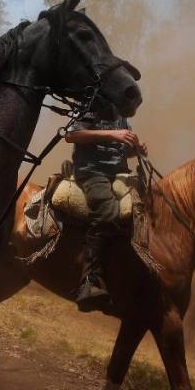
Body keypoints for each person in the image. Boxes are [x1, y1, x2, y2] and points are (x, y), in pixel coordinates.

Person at [64, 111, 148, 313]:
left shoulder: (121, 113)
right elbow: (70, 135)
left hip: (119, 174)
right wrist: (113, 134)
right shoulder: (92, 102)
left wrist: (136, 150)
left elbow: (119, 150)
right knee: (108, 214)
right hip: (92, 173)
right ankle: (89, 283)